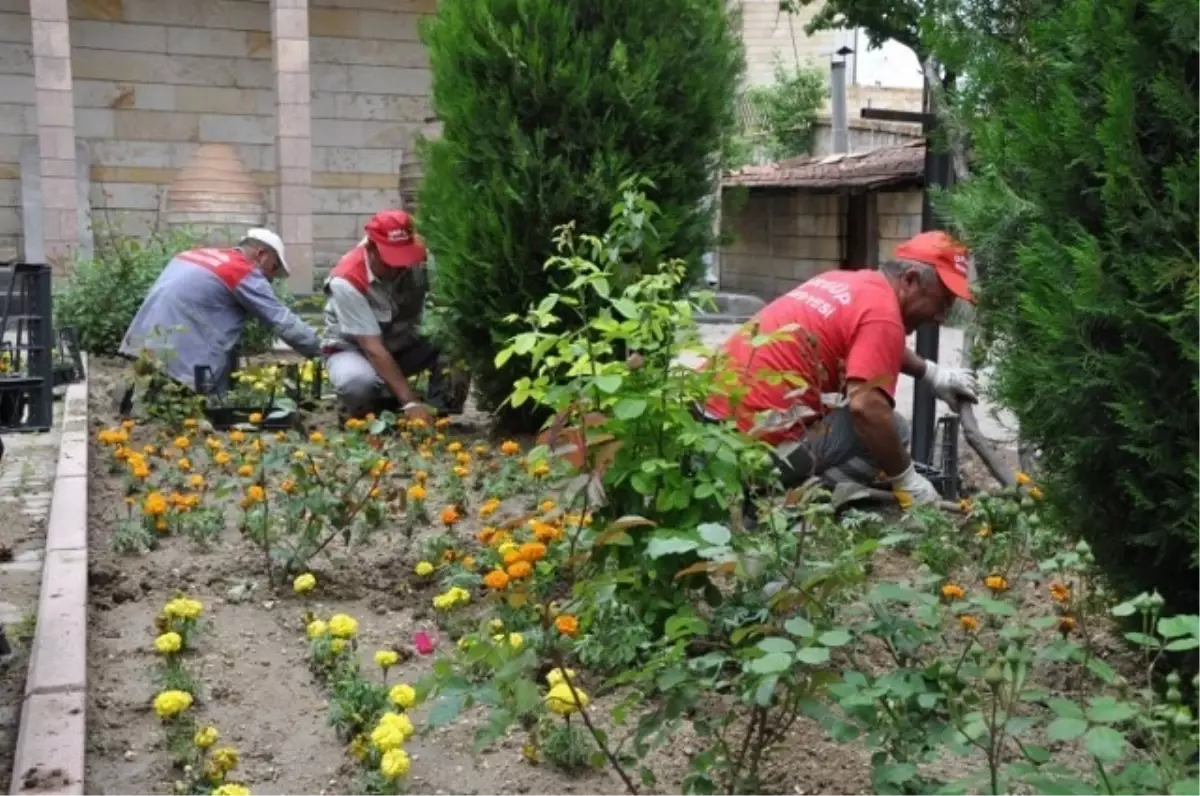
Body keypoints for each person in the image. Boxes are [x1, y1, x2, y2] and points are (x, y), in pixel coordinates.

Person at [704, 230, 978, 507]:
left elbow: (872, 342)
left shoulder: (848, 282)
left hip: (704, 431)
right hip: (744, 454)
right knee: (889, 428)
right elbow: (867, 409)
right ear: (910, 279)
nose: (941, 317)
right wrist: (907, 479)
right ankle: (786, 510)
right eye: (941, 302)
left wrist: (932, 373)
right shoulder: (883, 316)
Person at [119, 228, 320, 402]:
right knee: (196, 411)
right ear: (261, 254)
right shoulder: (241, 271)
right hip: (182, 354)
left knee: (143, 404)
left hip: (143, 338)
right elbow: (282, 321)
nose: (270, 278)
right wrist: (325, 351)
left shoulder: (191, 254)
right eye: (273, 268)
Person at [321, 209, 460, 423]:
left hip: (400, 344)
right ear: (371, 248)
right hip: (355, 351)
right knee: (357, 384)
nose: (399, 266)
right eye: (390, 259)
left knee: (455, 338)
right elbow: (372, 348)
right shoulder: (347, 280)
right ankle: (369, 409)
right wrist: (410, 401)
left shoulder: (420, 257)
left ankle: (437, 413)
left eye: (404, 257)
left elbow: (445, 305)